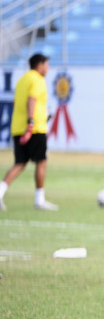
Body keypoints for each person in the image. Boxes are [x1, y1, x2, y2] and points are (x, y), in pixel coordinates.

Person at [0, 53, 58, 211]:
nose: (48, 68)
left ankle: (0, 192)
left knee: (20, 162)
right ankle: (40, 199)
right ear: (39, 65)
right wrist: (31, 123)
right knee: (41, 161)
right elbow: (31, 100)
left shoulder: (22, 79)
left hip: (18, 127)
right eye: (47, 64)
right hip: (34, 129)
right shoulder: (37, 79)